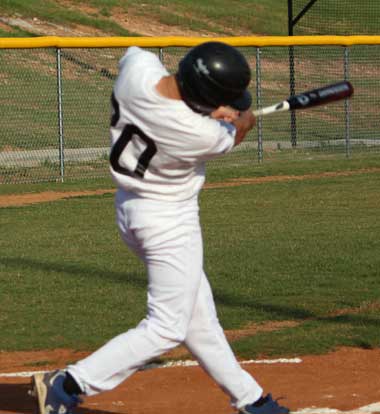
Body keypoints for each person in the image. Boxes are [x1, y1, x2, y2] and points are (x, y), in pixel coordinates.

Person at [30, 41, 289, 414]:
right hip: (169, 225)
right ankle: (71, 382)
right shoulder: (200, 136)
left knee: (197, 317)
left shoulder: (137, 70)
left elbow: (138, 58)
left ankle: (252, 400)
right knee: (168, 326)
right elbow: (232, 131)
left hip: (130, 210)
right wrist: (240, 120)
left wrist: (209, 108)